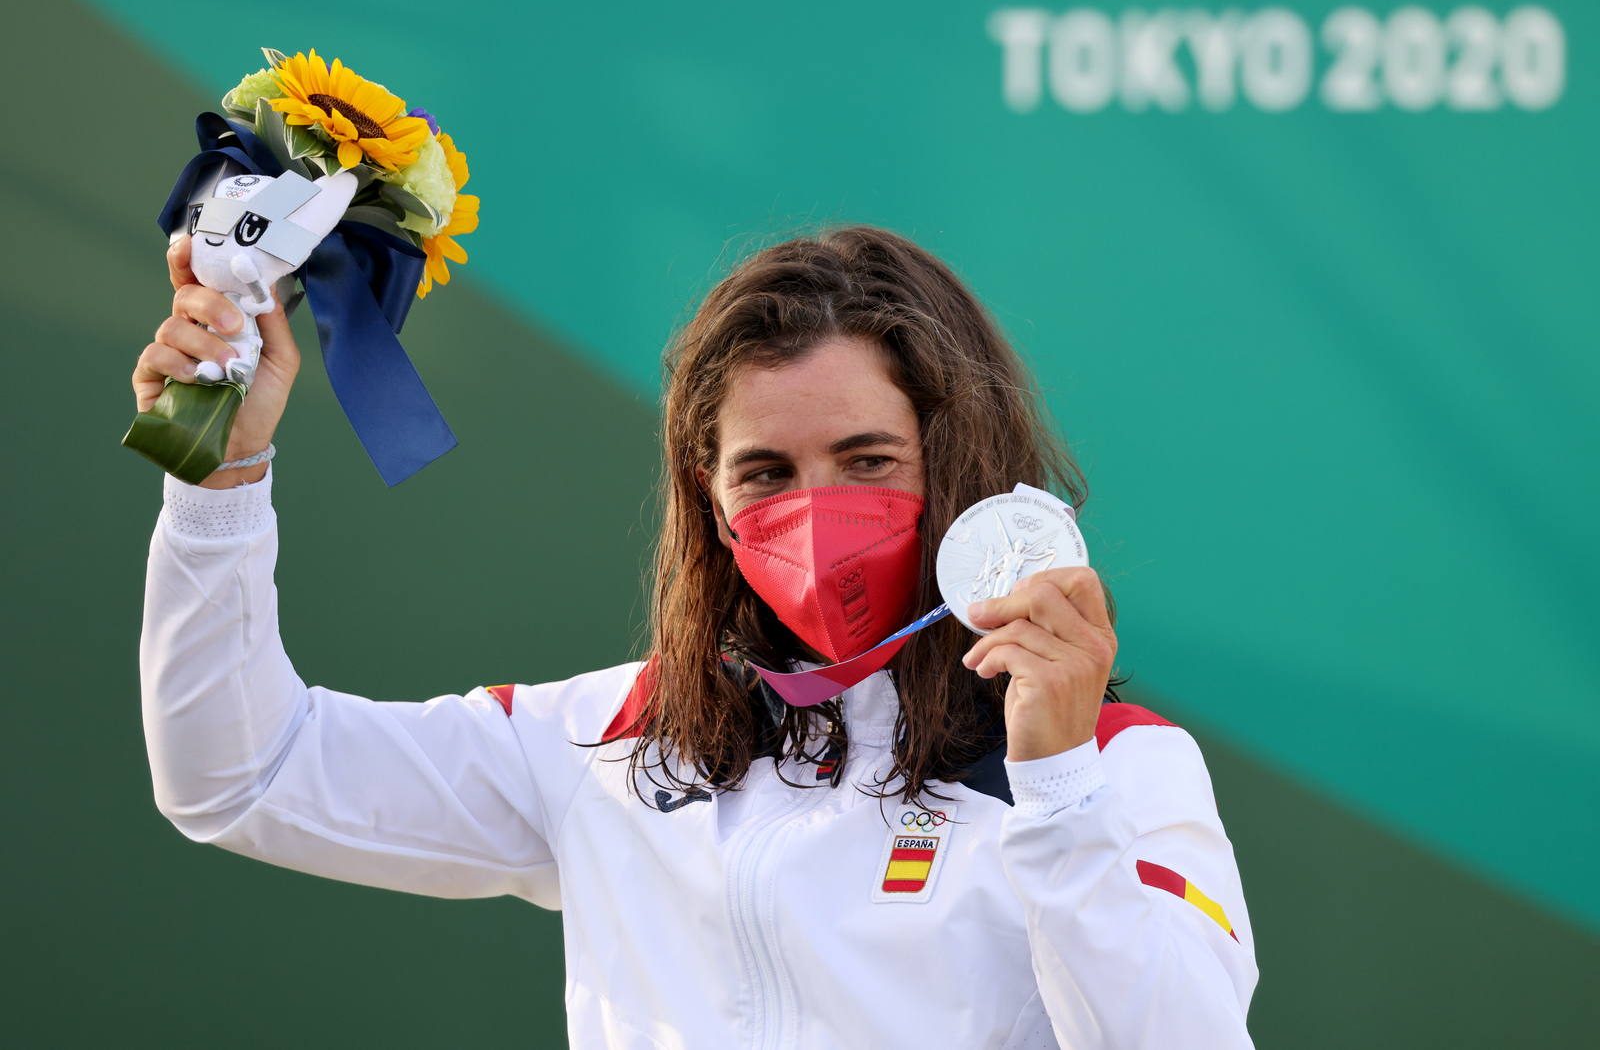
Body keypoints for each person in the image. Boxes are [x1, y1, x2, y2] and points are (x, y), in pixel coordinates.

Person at [136, 226, 1258, 1049]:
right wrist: (218, 480)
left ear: (959, 464)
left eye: (868, 460)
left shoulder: (1114, 764)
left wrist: (1057, 788)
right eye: (767, 473)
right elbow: (243, 776)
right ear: (711, 507)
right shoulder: (615, 737)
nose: (818, 513)